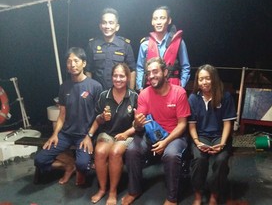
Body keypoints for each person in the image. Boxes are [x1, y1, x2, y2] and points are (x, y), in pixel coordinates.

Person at [122, 57, 191, 205]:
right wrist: (137, 123)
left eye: (155, 71)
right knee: (132, 150)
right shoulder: (144, 94)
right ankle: (134, 190)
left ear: (165, 72)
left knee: (171, 154)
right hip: (151, 134)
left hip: (174, 136)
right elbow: (139, 125)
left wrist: (165, 142)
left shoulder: (179, 93)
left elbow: (182, 125)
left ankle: (172, 198)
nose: (151, 76)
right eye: (148, 73)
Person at [34, 47, 102, 185]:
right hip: (66, 134)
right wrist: (55, 134)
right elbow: (62, 115)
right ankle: (69, 165)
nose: (73, 64)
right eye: (69, 61)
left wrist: (89, 136)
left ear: (84, 63)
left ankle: (79, 166)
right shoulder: (64, 87)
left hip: (84, 135)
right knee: (39, 160)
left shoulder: (95, 86)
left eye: (76, 61)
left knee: (83, 164)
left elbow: (99, 116)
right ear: (66, 66)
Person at [188, 64, 236, 205]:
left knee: (221, 160)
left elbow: (228, 124)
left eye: (207, 78)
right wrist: (197, 142)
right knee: (199, 160)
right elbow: (192, 125)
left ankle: (214, 195)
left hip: (219, 136)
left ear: (213, 78)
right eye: (201, 79)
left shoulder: (225, 96)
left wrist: (222, 143)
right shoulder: (193, 98)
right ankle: (198, 195)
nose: (204, 82)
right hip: (201, 136)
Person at [90, 63, 138, 205]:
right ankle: (102, 189)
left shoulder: (134, 96)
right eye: (115, 76)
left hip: (127, 134)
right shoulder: (104, 95)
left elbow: (138, 124)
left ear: (127, 77)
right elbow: (97, 119)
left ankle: (112, 191)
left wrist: (126, 133)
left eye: (122, 76)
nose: (118, 79)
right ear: (111, 77)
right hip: (107, 133)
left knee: (115, 152)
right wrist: (102, 118)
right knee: (99, 151)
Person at [136, 5, 191, 91]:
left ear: (169, 20)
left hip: (173, 88)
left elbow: (186, 67)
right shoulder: (145, 44)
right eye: (155, 18)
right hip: (152, 87)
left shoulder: (178, 42)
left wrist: (181, 86)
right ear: (152, 22)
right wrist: (140, 87)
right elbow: (140, 68)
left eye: (162, 18)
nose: (158, 22)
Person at [86, 8, 136, 90]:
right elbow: (88, 70)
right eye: (104, 23)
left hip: (120, 93)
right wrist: (90, 91)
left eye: (111, 23)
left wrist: (131, 93)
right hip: (98, 93)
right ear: (100, 26)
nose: (107, 26)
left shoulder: (125, 45)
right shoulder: (92, 45)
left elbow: (132, 71)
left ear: (117, 27)